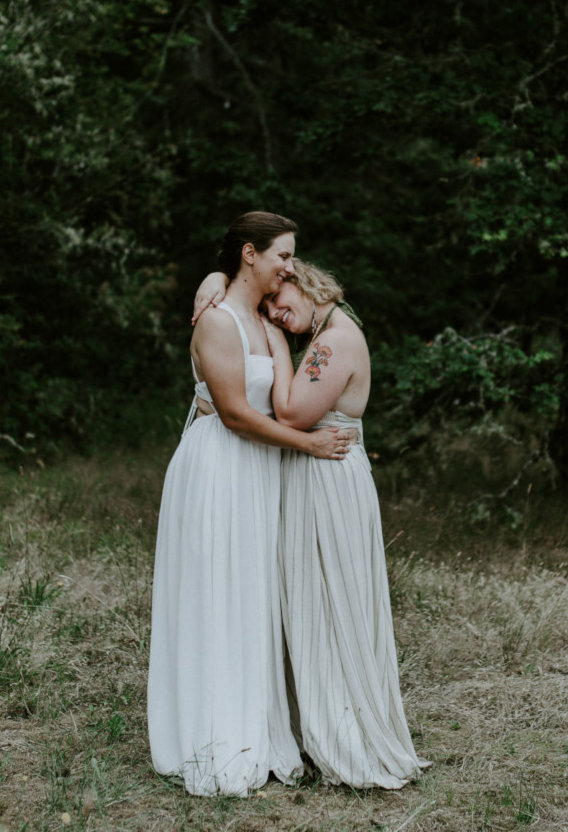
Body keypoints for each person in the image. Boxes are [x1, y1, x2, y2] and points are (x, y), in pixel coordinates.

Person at [194, 260, 428, 789]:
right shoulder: (325, 332)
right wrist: (211, 282)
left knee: (332, 604)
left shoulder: (333, 341)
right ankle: (315, 730)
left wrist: (276, 345)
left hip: (329, 483)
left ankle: (348, 739)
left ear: (302, 281)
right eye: (269, 308)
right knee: (311, 605)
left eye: (280, 302)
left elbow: (294, 415)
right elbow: (227, 275)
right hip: (314, 477)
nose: (277, 313)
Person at [148, 213, 353, 798]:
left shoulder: (263, 323)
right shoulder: (215, 321)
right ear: (249, 253)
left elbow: (283, 403)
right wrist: (311, 444)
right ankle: (211, 732)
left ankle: (258, 730)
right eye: (283, 255)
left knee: (253, 594)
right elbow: (236, 414)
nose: (291, 266)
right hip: (218, 468)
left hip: (260, 471)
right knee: (216, 593)